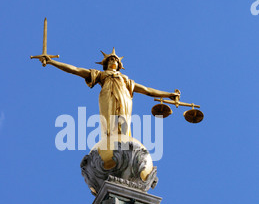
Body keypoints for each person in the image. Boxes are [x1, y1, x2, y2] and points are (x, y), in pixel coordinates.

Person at [38, 48, 179, 137]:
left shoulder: (126, 79)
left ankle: (122, 139)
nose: (114, 61)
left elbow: (147, 91)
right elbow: (74, 69)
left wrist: (168, 95)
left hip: (124, 99)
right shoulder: (100, 74)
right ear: (105, 63)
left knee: (123, 124)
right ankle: (110, 138)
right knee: (109, 122)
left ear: (119, 65)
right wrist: (52, 62)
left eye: (116, 60)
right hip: (107, 97)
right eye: (111, 59)